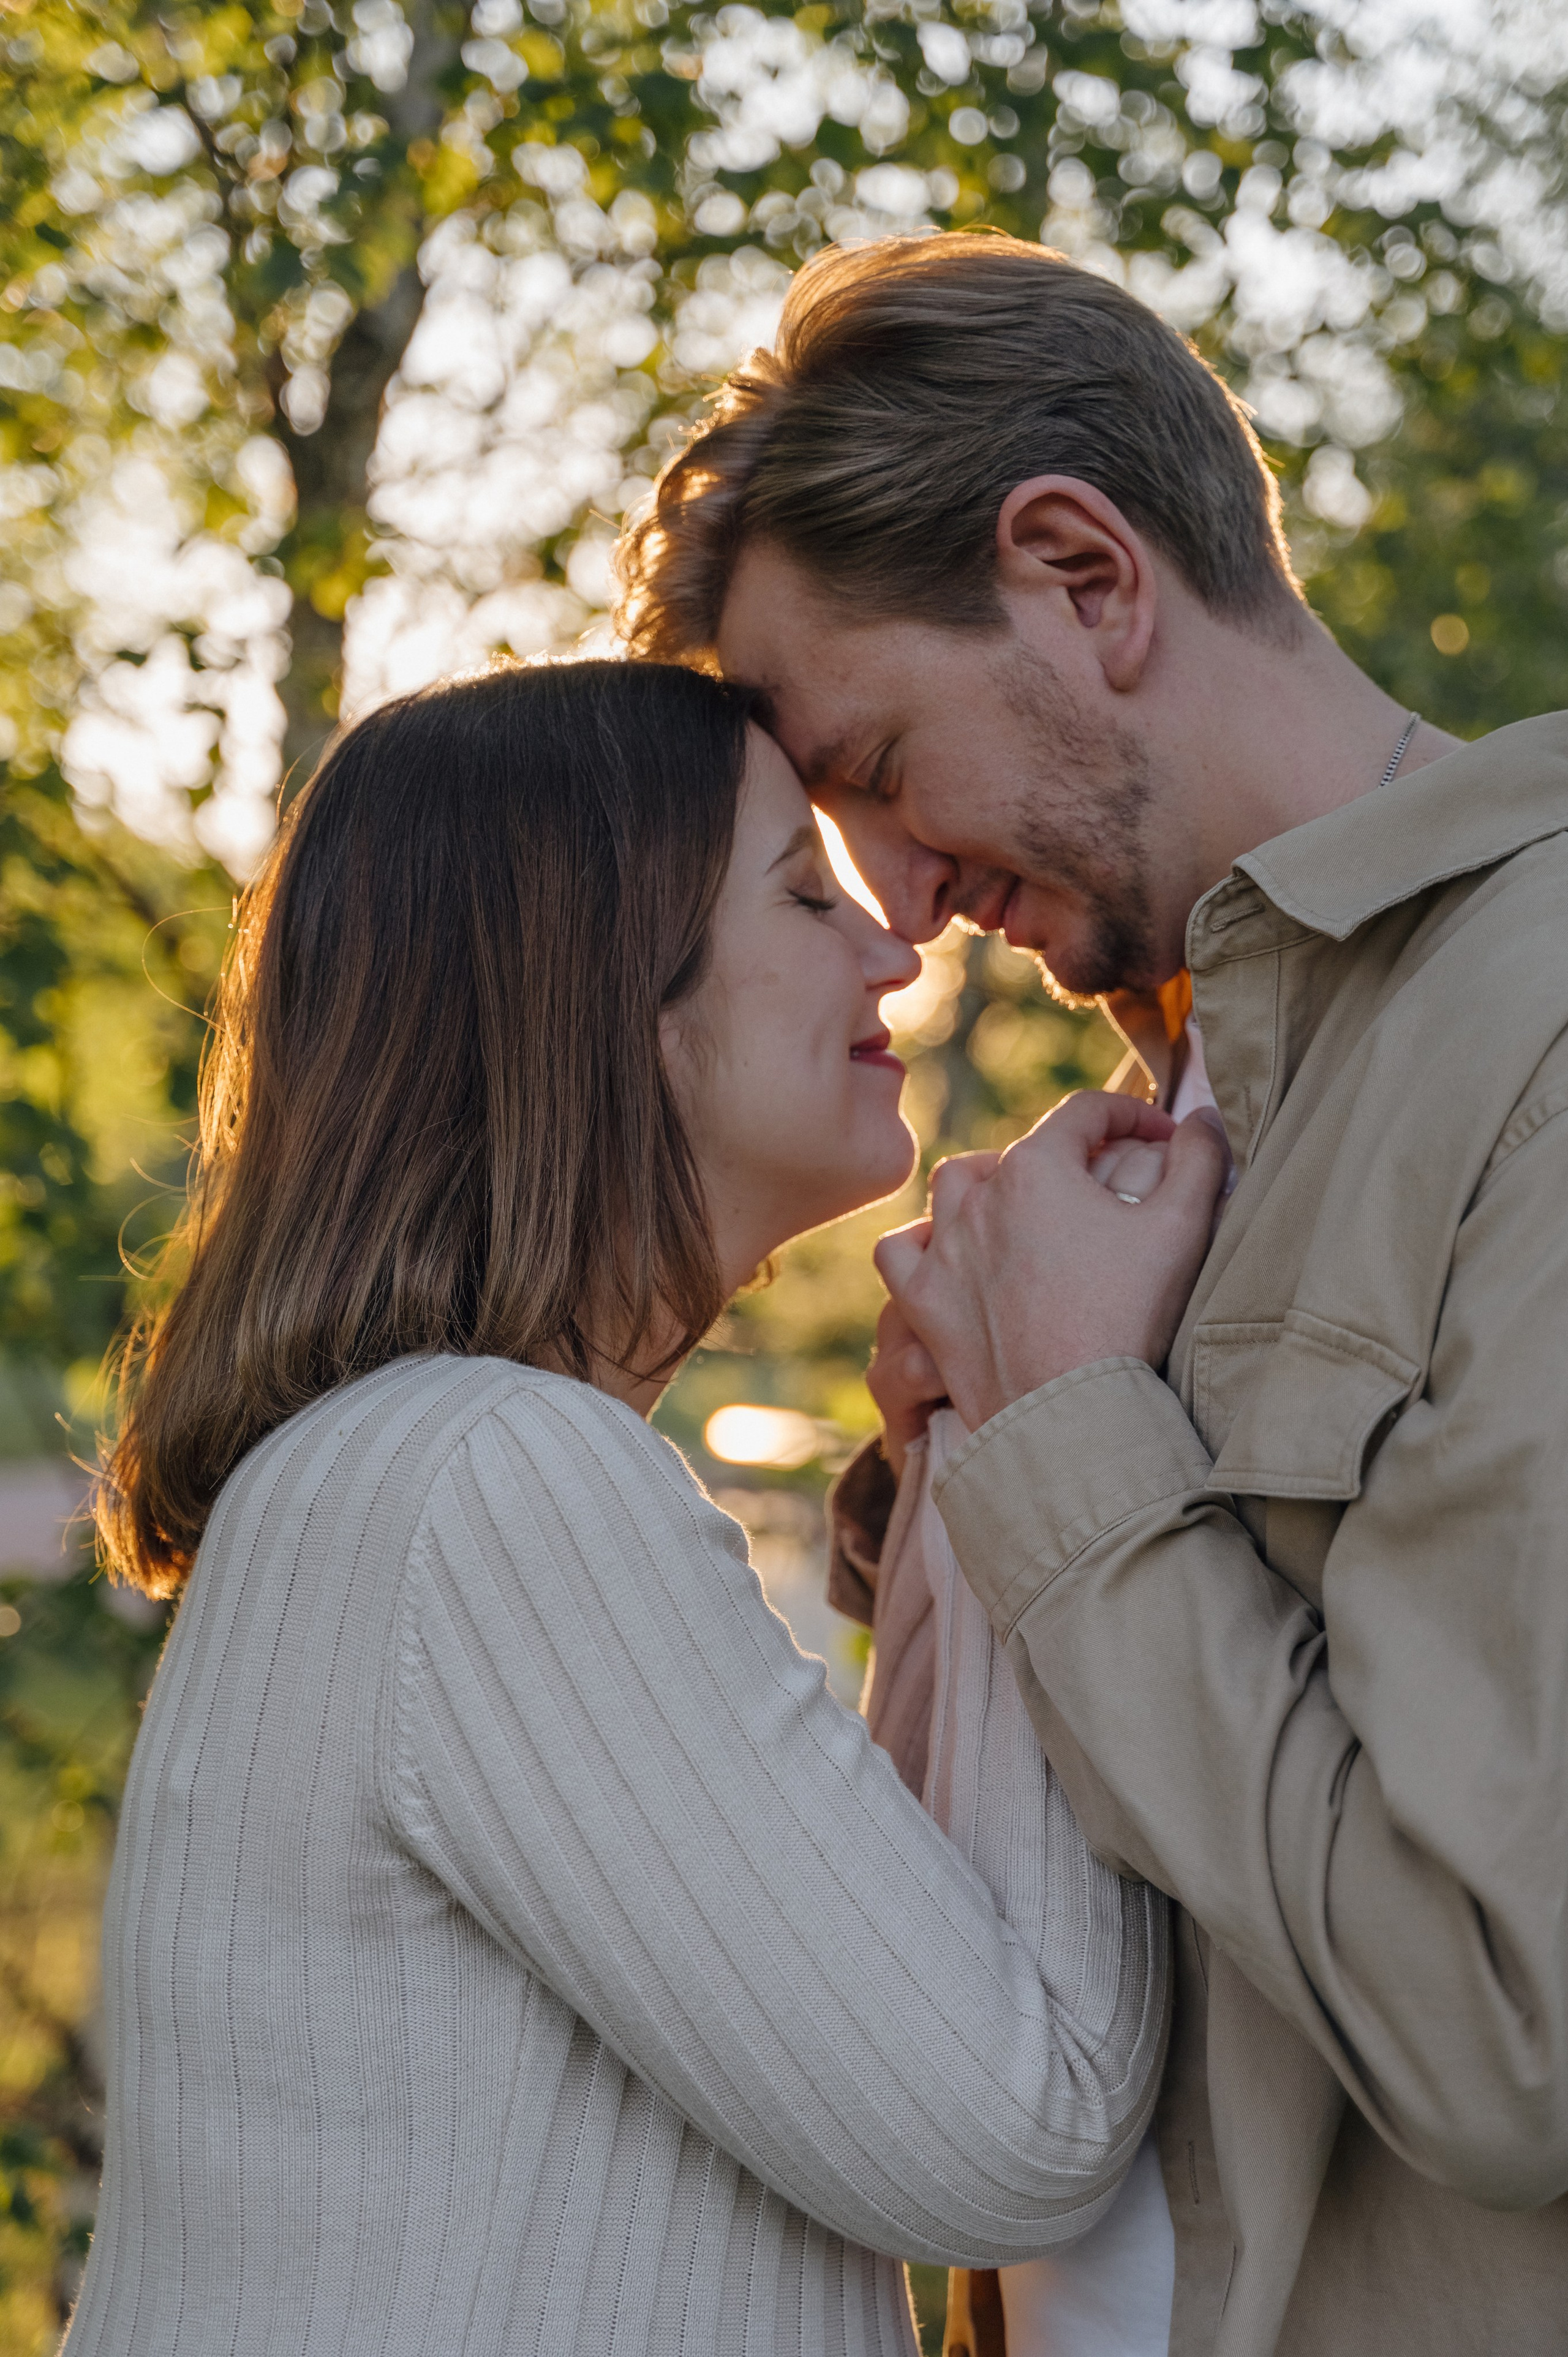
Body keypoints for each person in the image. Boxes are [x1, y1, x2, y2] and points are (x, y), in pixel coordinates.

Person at [614, 230, 1568, 2354]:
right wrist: (940, 1501)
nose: (906, 900)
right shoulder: (1193, 1099)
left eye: (869, 769)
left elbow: (1519, 2033)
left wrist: (1065, 1451)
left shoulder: (1540, 1035)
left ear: (1084, 574)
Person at [70, 658, 1170, 2357]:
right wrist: (1058, 1413)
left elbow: (882, 1995)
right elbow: (1025, 2130)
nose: (900, 944)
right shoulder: (486, 1479)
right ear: (600, 987)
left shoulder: (409, 1471)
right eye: (806, 893)